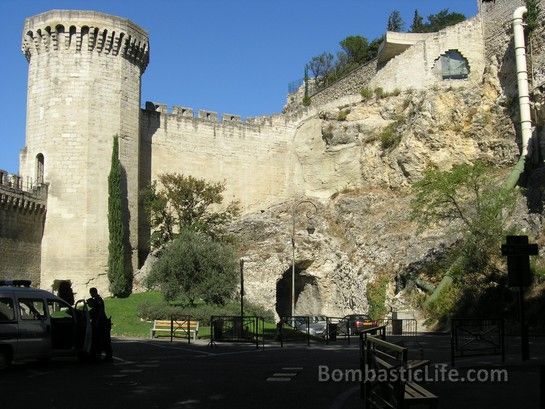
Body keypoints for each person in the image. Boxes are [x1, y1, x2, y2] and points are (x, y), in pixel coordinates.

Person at [88, 287, 113, 362]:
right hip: (100, 322)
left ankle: (106, 356)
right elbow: (94, 310)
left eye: (91, 292)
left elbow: (100, 311)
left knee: (103, 340)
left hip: (102, 323)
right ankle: (99, 355)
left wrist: (97, 321)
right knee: (98, 340)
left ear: (92, 292)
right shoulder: (97, 300)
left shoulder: (98, 300)